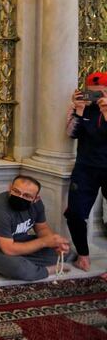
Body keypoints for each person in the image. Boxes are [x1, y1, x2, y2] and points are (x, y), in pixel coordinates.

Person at [0, 175, 71, 282]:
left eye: (27, 195)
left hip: (18, 240)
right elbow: (8, 249)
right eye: (16, 191)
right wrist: (44, 242)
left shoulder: (37, 204)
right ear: (9, 188)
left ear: (35, 199)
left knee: (66, 250)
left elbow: (42, 229)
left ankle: (27, 263)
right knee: (17, 267)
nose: (20, 197)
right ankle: (45, 270)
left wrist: (54, 244)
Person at [65, 71, 107, 272]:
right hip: (86, 168)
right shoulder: (84, 108)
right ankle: (83, 255)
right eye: (92, 93)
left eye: (101, 93)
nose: (96, 98)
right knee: (74, 212)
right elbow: (71, 134)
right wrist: (78, 110)